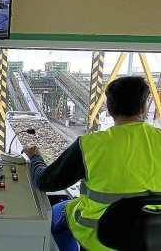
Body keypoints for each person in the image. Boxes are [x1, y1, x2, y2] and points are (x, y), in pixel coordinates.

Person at [24, 76, 161, 251]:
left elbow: (45, 182)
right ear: (143, 107)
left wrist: (36, 158)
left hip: (98, 238)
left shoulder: (90, 144)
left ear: (109, 108)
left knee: (56, 212)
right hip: (149, 236)